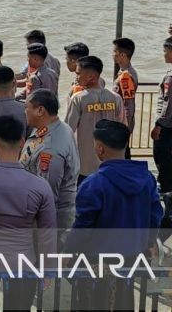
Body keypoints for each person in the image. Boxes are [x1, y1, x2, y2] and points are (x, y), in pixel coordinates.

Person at [67, 120, 162, 311]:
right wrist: (149, 242)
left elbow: (83, 226)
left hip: (96, 266)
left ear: (100, 149)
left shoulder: (94, 184)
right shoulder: (147, 179)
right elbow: (155, 215)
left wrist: (68, 251)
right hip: (132, 261)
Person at [0, 115, 56, 311]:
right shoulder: (40, 187)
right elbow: (47, 234)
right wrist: (47, 269)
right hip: (22, 263)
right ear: (23, 143)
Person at [22, 89, 80, 232]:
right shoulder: (55, 127)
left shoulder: (50, 149)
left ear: (40, 110)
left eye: (27, 108)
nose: (25, 112)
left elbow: (47, 196)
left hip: (50, 222)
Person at [65, 56, 125, 182]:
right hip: (111, 163)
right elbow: (123, 127)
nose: (76, 77)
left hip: (85, 164)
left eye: (78, 73)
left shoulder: (78, 99)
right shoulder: (116, 98)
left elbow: (68, 130)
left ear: (91, 76)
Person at [152, 37, 172, 192]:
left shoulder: (170, 77)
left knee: (163, 161)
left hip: (167, 128)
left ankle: (166, 195)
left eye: (165, 51)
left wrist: (159, 124)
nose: (164, 55)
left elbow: (167, 102)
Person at [112, 37, 139, 136]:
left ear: (123, 55)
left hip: (121, 125)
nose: (112, 54)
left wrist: (124, 128)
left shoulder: (126, 76)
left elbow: (129, 105)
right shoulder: (124, 72)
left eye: (115, 51)